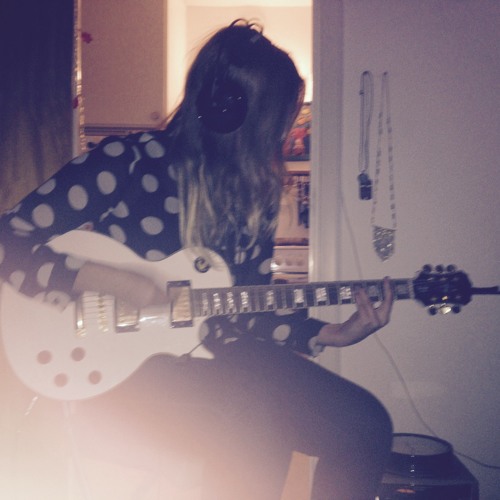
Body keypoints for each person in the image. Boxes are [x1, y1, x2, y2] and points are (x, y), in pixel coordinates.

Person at [0, 20, 393, 499]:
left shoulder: (256, 193)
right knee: (253, 415)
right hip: (124, 366)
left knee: (365, 423)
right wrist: (108, 279)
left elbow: (246, 304)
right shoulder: (129, 160)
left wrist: (328, 332)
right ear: (224, 106)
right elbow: (9, 238)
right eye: (274, 118)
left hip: (222, 356)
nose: (280, 133)